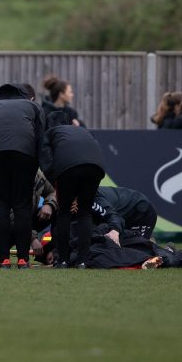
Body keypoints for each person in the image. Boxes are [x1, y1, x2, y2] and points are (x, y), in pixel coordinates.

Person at [0, 83, 46, 269]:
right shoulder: (34, 107)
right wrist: (37, 164)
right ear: (29, 97)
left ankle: (3, 260)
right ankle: (24, 260)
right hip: (25, 155)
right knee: (22, 206)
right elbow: (41, 137)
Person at [40, 110, 105, 268]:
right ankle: (82, 261)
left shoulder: (49, 134)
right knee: (85, 213)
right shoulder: (81, 130)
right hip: (96, 166)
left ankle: (62, 260)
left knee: (64, 213)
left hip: (68, 168)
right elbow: (92, 150)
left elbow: (46, 165)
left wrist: (59, 187)